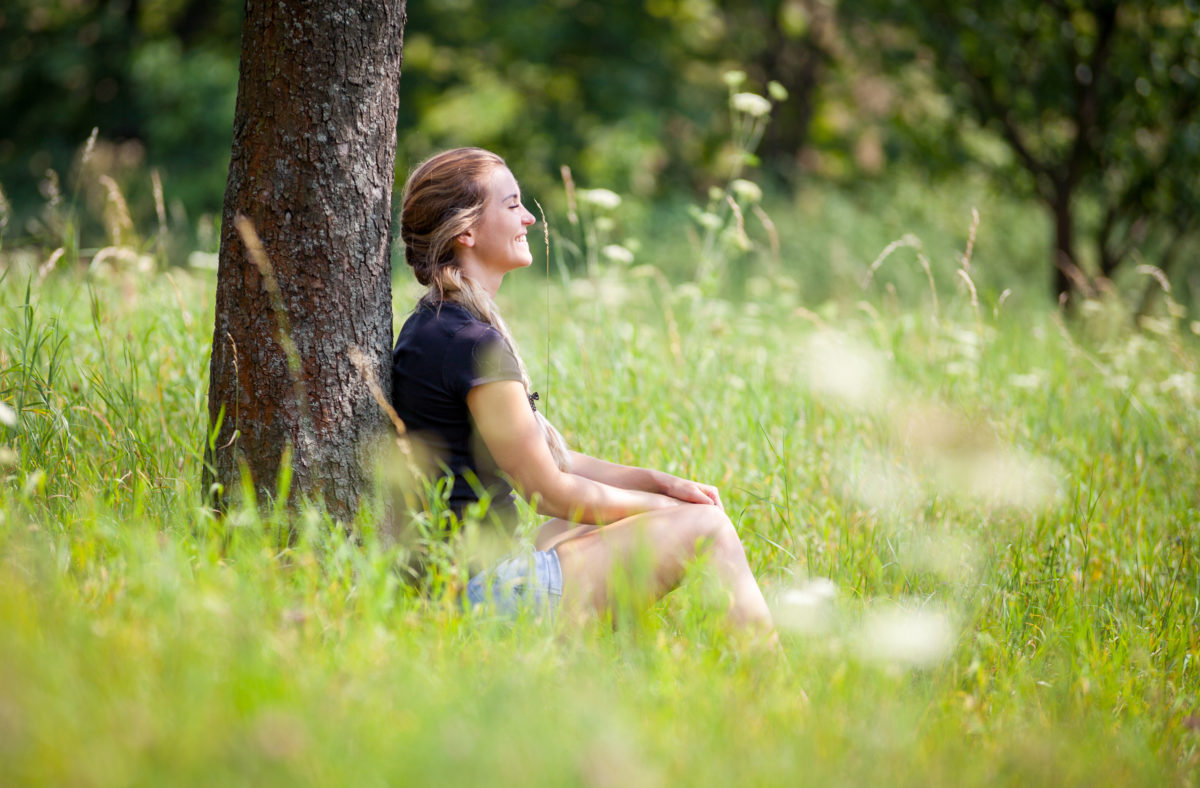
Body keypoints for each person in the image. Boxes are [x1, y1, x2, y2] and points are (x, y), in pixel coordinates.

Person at [390, 147, 774, 637]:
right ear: (466, 231)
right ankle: (779, 694)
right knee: (710, 530)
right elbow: (546, 491)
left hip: (463, 582)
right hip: (481, 594)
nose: (528, 217)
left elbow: (556, 462)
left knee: (603, 526)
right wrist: (671, 513)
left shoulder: (438, 325)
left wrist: (659, 483)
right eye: (511, 205)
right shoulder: (469, 343)